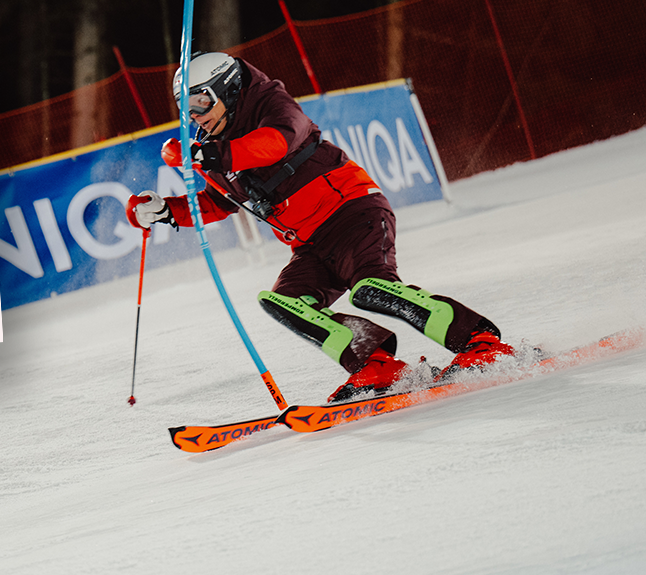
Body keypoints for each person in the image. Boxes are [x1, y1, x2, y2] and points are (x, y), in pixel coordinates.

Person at [126, 51, 516, 402]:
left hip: (351, 213)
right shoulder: (211, 142)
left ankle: (478, 341)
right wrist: (165, 211)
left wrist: (213, 154)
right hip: (310, 243)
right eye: (184, 107)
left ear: (226, 90)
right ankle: (376, 365)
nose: (193, 116)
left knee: (372, 289)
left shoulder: (270, 102)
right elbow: (219, 202)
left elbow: (276, 143)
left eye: (200, 102)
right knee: (285, 300)